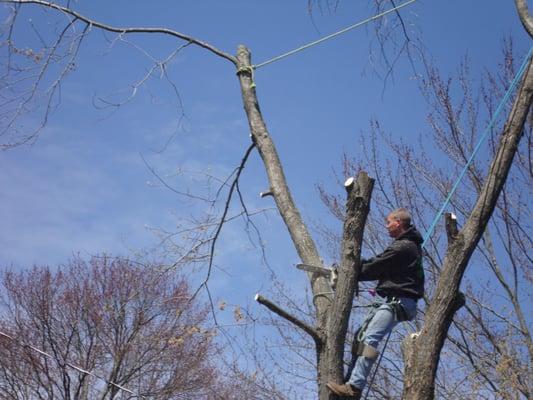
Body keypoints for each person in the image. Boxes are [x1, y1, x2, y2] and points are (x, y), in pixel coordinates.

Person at [327, 208, 424, 399]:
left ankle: (354, 387)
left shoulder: (404, 247)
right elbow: (377, 263)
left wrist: (350, 273)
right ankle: (349, 381)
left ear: (398, 222)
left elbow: (376, 266)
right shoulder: (403, 246)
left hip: (399, 300)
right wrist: (355, 268)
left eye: (389, 222)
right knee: (360, 336)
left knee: (370, 338)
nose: (386, 226)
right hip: (390, 299)